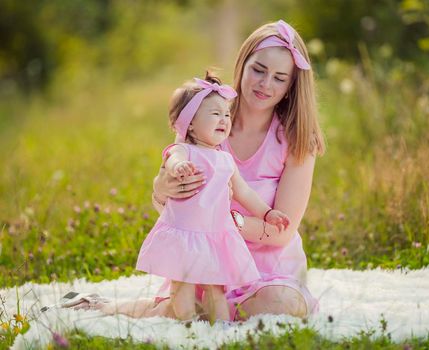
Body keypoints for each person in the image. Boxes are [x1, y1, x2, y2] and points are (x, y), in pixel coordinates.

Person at [62, 19, 324, 321]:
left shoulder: (297, 139)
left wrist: (228, 221)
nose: (265, 84)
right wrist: (161, 189)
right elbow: (171, 206)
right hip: (207, 260)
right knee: (189, 306)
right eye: (258, 70)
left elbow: (281, 233)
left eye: (279, 78)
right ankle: (105, 306)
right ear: (243, 64)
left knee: (282, 304)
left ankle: (181, 312)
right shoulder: (203, 120)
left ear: (291, 85)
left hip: (268, 272)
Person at [136, 73, 290, 322]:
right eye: (215, 114)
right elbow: (172, 160)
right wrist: (178, 168)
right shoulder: (183, 150)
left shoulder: (225, 159)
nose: (224, 119)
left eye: (227, 114)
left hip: (215, 234)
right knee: (182, 281)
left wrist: (267, 213)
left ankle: (220, 329)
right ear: (191, 124)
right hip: (185, 232)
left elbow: (244, 192)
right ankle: (188, 324)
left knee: (216, 287)